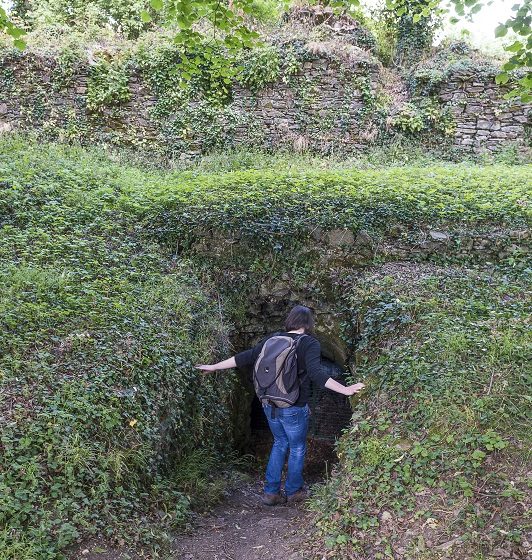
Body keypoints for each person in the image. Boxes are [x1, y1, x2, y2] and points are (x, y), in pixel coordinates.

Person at [196, 305, 364, 506]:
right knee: (297, 447)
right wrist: (346, 389)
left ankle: (271, 492)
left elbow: (246, 356)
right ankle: (294, 491)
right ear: (309, 324)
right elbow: (317, 374)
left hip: (269, 404)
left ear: (290, 321)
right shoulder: (309, 343)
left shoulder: (272, 339)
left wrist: (214, 366)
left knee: (279, 442)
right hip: (293, 407)